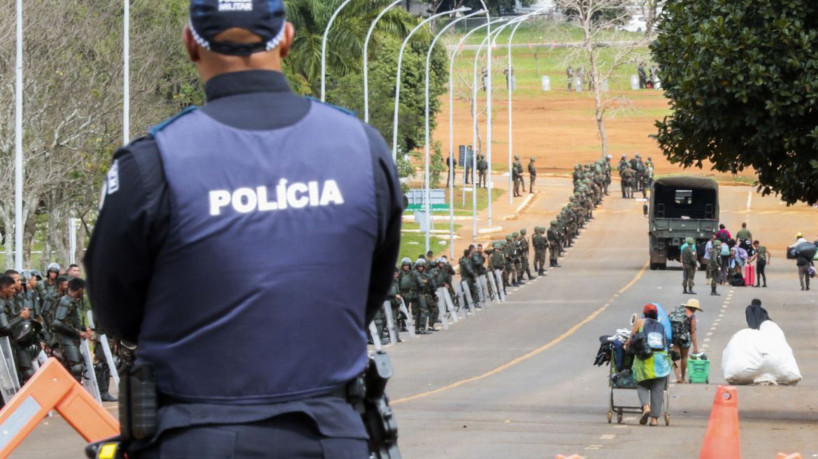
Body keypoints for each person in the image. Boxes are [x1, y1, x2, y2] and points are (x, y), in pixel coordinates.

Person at [84, 1, 403, 456]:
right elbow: (371, 286)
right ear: (288, 40)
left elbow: (115, 310)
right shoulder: (361, 147)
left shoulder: (152, 162)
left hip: (195, 434)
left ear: (190, 43)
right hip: (333, 434)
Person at [624, 304, 670, 426]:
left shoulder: (640, 322)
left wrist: (625, 346)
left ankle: (646, 407)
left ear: (644, 314)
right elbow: (666, 342)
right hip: (661, 361)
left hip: (645, 360)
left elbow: (630, 339)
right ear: (656, 314)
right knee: (658, 390)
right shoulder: (661, 326)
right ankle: (654, 419)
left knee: (642, 384)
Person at [52, 277, 91, 382]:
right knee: (75, 368)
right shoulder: (66, 301)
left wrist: (83, 328)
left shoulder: (72, 301)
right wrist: (78, 332)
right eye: (82, 289)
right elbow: (57, 323)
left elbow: (73, 320)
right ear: (79, 288)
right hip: (66, 340)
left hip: (72, 339)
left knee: (76, 367)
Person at [670, 299, 701, 383]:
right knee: (684, 357)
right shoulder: (691, 315)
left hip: (675, 337)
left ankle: (678, 377)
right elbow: (693, 331)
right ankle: (683, 378)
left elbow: (667, 318)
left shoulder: (675, 311)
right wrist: (695, 346)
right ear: (694, 308)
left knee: (676, 357)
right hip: (685, 339)